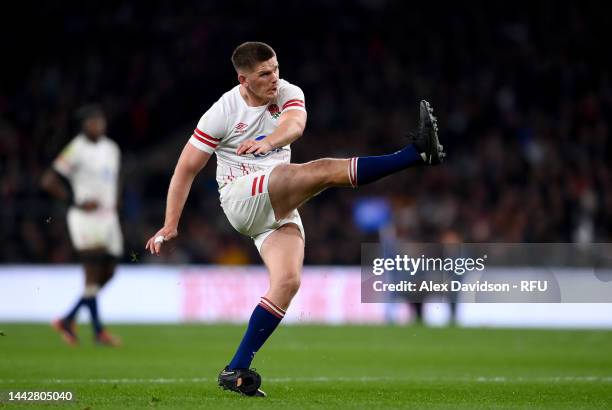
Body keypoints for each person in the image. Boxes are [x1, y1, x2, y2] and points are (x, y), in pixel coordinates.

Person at [145, 41, 444, 397]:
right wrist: (170, 223)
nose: (274, 78)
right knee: (318, 171)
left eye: (275, 69)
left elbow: (296, 125)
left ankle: (236, 368)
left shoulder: (287, 91)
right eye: (264, 74)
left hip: (275, 202)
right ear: (243, 79)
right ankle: (414, 154)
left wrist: (269, 141)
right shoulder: (222, 111)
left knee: (287, 282)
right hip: (241, 196)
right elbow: (185, 170)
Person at [41, 104, 122, 347]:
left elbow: (116, 178)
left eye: (101, 121)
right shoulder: (76, 148)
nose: (99, 125)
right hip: (85, 218)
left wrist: (116, 199)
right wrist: (74, 201)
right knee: (93, 269)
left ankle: (68, 319)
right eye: (93, 122)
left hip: (108, 218)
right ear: (84, 125)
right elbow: (48, 180)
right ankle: (98, 331)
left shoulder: (111, 148)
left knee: (108, 272)